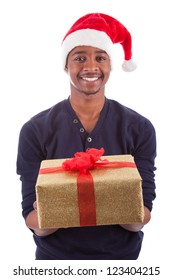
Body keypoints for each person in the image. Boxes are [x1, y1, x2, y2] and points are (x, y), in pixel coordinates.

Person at [16, 13, 157, 260]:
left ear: (110, 65)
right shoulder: (34, 130)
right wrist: (115, 198)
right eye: (79, 58)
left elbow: (141, 217)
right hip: (56, 264)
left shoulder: (139, 127)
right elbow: (34, 220)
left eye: (100, 58)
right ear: (65, 65)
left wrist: (60, 204)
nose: (90, 67)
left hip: (121, 264)